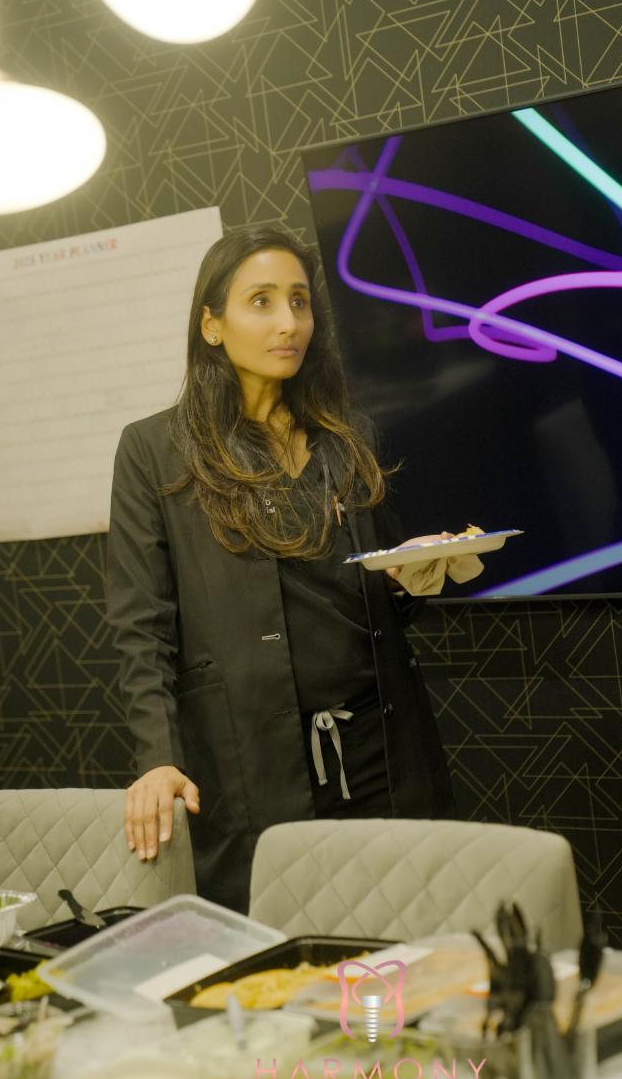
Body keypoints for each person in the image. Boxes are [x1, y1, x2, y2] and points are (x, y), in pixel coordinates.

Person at [106, 226, 457, 913]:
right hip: (254, 756)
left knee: (401, 937)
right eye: (260, 302)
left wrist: (416, 574)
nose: (288, 322)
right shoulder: (154, 451)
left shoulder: (347, 437)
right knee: (286, 956)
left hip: (380, 750)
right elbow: (140, 624)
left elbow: (375, 590)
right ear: (212, 324)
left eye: (299, 302)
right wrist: (156, 756)